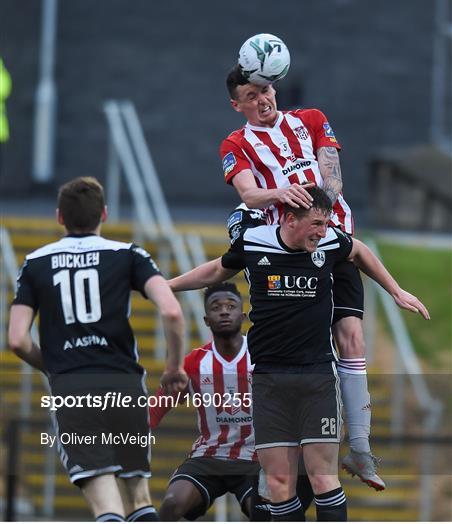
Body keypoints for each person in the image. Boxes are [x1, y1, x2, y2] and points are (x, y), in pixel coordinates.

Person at [168, 186, 430, 521]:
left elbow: (360, 251)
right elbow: (218, 269)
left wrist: (395, 291)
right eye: (317, 224)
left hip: (316, 378)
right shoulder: (254, 241)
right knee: (278, 484)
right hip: (268, 382)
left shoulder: (330, 243)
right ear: (291, 219)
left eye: (326, 225)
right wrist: (169, 285)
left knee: (322, 477)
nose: (323, 233)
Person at [220, 64, 385, 490]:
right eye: (251, 97)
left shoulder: (311, 119)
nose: (262, 101)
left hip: (332, 243)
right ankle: (272, 461)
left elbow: (333, 178)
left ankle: (362, 451)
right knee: (287, 347)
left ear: (274, 87)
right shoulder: (236, 143)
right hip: (287, 256)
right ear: (237, 105)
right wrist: (277, 194)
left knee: (352, 338)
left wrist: (318, 214)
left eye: (265, 90)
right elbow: (248, 194)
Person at [8, 176, 188, 522]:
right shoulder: (129, 254)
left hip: (73, 385)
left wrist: (51, 365)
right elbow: (171, 310)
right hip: (124, 383)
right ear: (103, 214)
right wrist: (173, 367)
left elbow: (16, 339)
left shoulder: (36, 263)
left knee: (107, 507)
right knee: (139, 498)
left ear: (59, 217)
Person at [151, 282, 313, 521]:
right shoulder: (194, 363)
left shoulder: (265, 356)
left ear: (243, 315)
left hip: (256, 458)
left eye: (231, 306)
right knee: (172, 504)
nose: (224, 311)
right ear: (207, 320)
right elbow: (156, 407)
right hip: (208, 456)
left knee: (263, 513)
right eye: (216, 307)